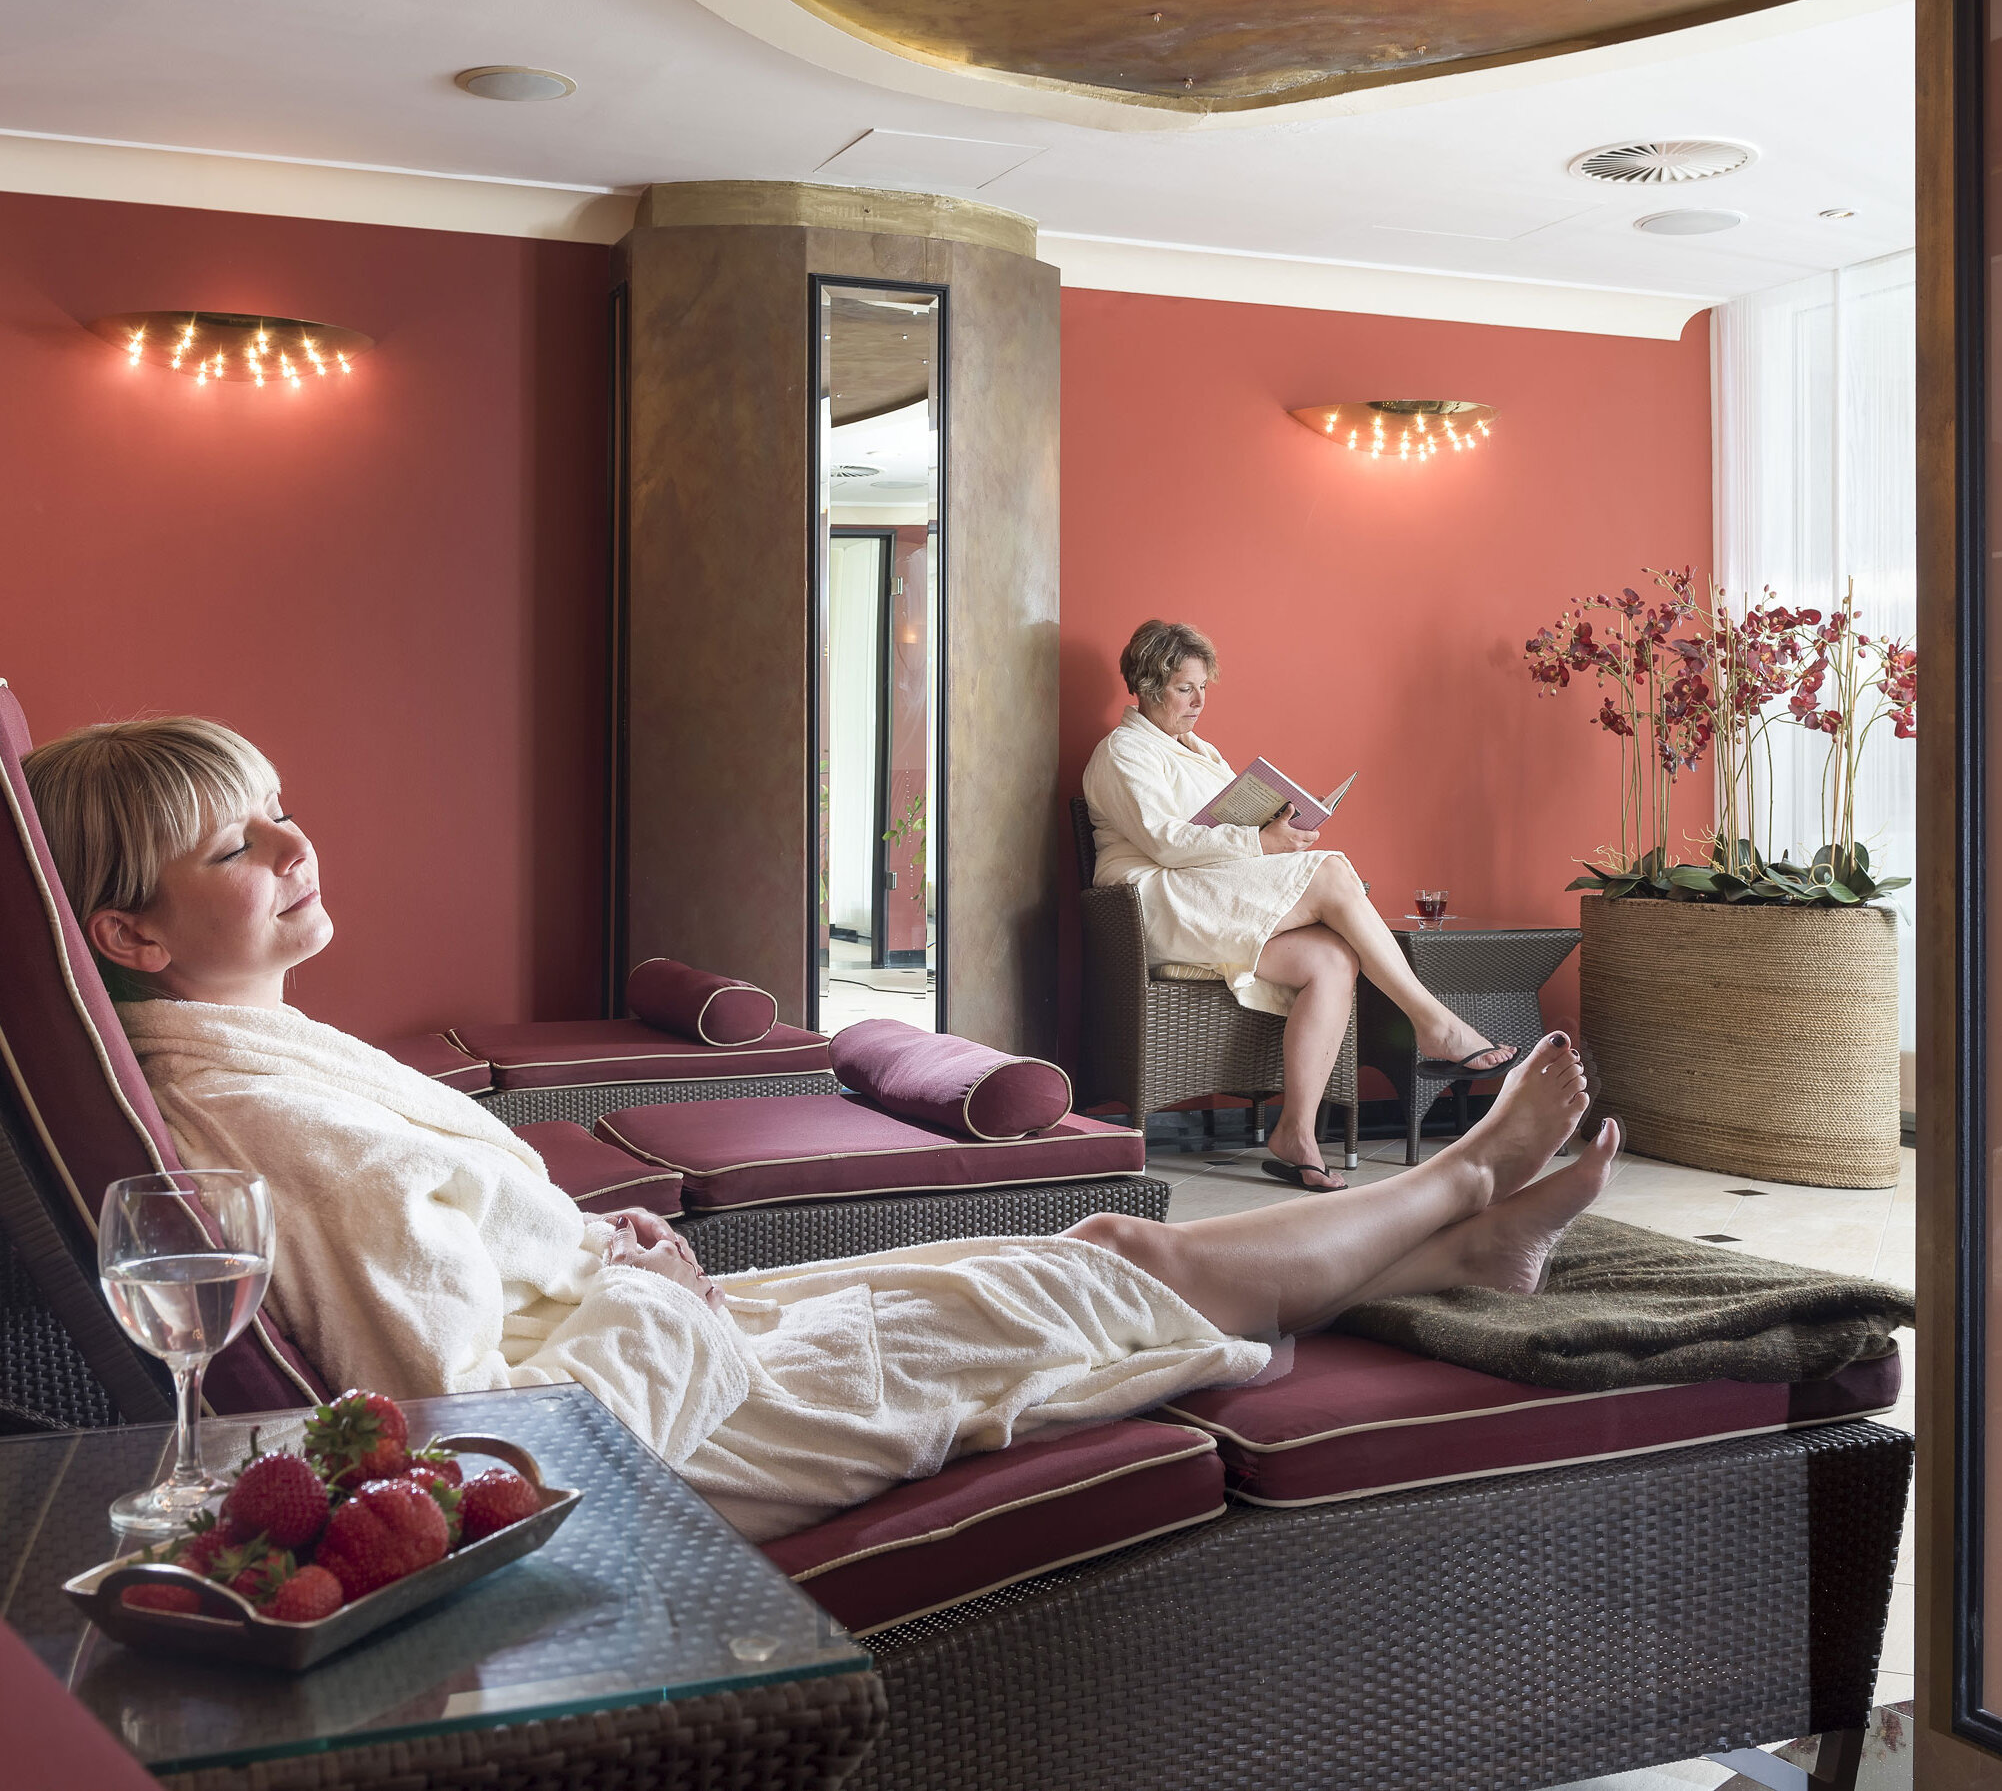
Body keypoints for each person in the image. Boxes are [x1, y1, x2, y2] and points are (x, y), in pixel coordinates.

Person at [25, 715, 1617, 1545]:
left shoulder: (260, 1048)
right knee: (1097, 1274)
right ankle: (1467, 1176)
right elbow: (467, 1427)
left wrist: (607, 1244)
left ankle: (1469, 1229)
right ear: (135, 935)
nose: (299, 841)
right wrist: (638, 1283)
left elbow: (471, 1282)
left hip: (636, 1330)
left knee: (1091, 1238)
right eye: (241, 841)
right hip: (665, 1441)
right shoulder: (250, 1119)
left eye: (279, 801)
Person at [1083, 620, 1518, 1193]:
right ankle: (1433, 1024)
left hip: (1211, 894)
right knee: (1333, 872)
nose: (1199, 702)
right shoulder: (1122, 752)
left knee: (1333, 961)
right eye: (1185, 688)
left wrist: (1276, 826)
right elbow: (1165, 841)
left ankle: (1296, 1132)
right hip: (1156, 902)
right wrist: (1263, 843)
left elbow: (1217, 825)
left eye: (1204, 687)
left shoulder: (1199, 750)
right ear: (1146, 683)